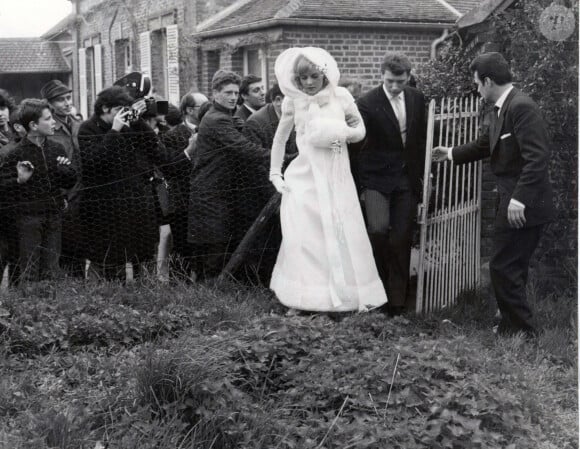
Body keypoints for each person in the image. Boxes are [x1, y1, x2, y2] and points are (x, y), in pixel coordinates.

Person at [432, 52, 555, 338]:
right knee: (511, 266)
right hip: (513, 199)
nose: (477, 89)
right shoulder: (501, 108)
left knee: (502, 265)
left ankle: (522, 332)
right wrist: (450, 153)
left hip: (524, 204)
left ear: (488, 81)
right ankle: (512, 326)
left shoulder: (521, 107)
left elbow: (537, 158)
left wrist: (519, 199)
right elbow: (485, 146)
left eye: (477, 84)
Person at [268, 47, 388, 312]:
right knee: (305, 237)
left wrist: (338, 133)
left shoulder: (341, 96)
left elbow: (360, 131)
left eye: (313, 76)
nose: (308, 83)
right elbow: (279, 139)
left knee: (341, 234)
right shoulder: (292, 102)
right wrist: (275, 173)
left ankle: (348, 297)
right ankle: (306, 299)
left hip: (336, 177)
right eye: (302, 79)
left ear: (324, 74)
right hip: (305, 178)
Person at [353, 51, 427, 316]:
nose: (395, 87)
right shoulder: (367, 103)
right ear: (381, 76)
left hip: (405, 180)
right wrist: (362, 185)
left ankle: (397, 301)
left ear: (408, 76)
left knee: (402, 237)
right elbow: (358, 148)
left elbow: (419, 140)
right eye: (389, 81)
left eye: (400, 81)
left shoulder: (418, 99)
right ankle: (377, 293)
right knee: (378, 230)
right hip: (376, 180)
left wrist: (422, 176)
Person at [78, 86, 168, 280]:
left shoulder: (131, 126)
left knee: (143, 257)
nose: (125, 115)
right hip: (105, 209)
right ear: (105, 109)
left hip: (134, 205)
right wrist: (115, 130)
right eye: (121, 110)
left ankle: (143, 300)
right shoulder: (88, 128)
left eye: (127, 109)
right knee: (109, 262)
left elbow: (158, 153)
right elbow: (94, 161)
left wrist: (139, 123)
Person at [188, 70, 269, 279]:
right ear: (215, 93)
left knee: (221, 248)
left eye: (235, 93)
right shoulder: (217, 119)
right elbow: (245, 148)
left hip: (217, 194)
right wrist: (282, 158)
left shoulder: (224, 116)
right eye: (228, 93)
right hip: (210, 195)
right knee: (214, 251)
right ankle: (209, 299)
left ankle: (213, 296)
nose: (233, 97)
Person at [1, 99, 77, 282]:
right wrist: (19, 179)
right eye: (48, 119)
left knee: (51, 268)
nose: (53, 122)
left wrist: (65, 171)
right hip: (28, 219)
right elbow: (2, 186)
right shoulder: (15, 153)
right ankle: (30, 308)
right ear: (34, 125)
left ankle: (50, 307)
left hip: (53, 216)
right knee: (30, 268)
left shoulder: (57, 148)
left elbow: (70, 181)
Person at [40, 79, 85, 278]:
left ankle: (80, 287)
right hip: (63, 195)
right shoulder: (48, 130)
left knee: (80, 245)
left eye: (68, 98)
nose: (67, 103)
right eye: (60, 100)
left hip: (82, 192)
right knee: (63, 246)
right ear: (49, 104)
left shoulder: (78, 125)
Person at [161, 92, 208, 279]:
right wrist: (189, 150)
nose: (207, 111)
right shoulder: (173, 136)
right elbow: (170, 169)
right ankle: (179, 285)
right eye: (202, 107)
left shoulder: (211, 130)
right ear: (189, 110)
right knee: (182, 246)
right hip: (182, 201)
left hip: (204, 200)